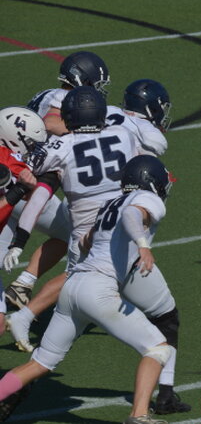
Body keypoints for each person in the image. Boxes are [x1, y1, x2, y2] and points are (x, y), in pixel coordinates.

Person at [5, 84, 190, 414]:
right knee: (161, 328)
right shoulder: (126, 139)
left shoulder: (63, 146)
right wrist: (143, 245)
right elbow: (146, 165)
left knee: (52, 348)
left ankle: (17, 373)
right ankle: (151, 404)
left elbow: (40, 183)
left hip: (85, 246)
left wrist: (20, 239)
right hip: (120, 247)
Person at [0, 155, 176, 424]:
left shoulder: (110, 202)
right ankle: (139, 415)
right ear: (152, 181)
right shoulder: (146, 199)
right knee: (158, 349)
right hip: (99, 289)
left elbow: (86, 240)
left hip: (72, 286)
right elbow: (131, 214)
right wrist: (142, 245)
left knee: (40, 364)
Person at [3, 50, 110, 310]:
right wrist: (87, 129)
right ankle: (23, 284)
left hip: (14, 181)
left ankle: (17, 291)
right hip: (28, 185)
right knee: (68, 234)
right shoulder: (63, 97)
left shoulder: (48, 92)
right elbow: (50, 122)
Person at [0, 106, 47, 336]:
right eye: (29, 143)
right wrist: (19, 189)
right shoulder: (7, 165)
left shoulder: (9, 160)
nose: (32, 149)